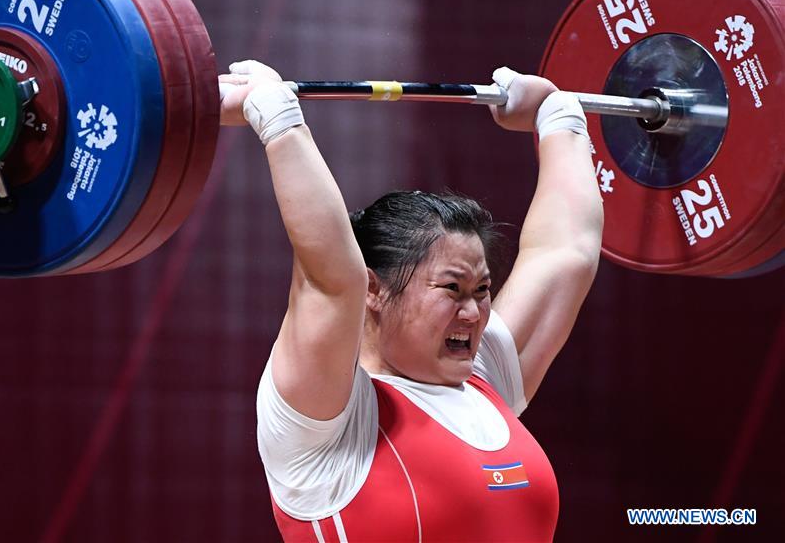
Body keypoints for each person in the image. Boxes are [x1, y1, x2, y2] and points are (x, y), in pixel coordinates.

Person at [219, 60, 603, 542]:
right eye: (452, 290)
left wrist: (558, 117)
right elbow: (331, 278)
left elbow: (566, 253)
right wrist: (276, 117)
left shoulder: (484, 378)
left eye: (482, 291)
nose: (474, 313)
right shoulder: (329, 422)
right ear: (374, 290)